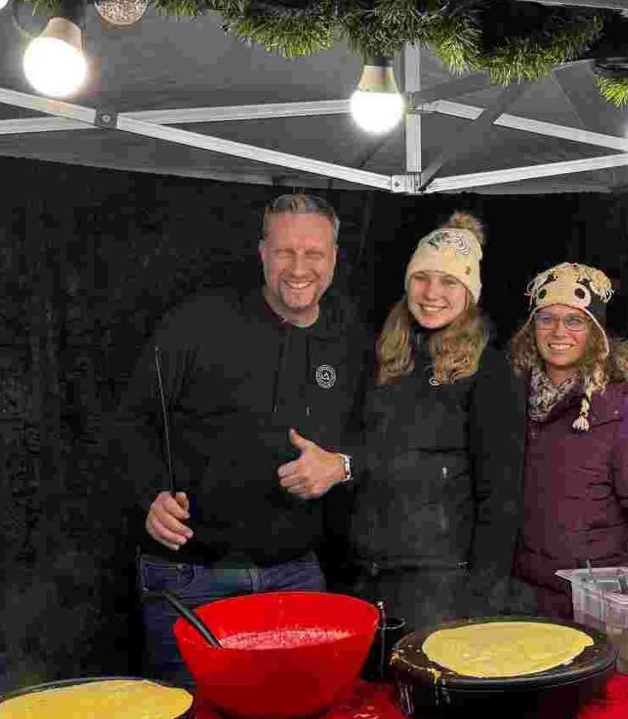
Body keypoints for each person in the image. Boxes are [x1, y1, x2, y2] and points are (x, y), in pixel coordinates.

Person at [116, 193, 368, 684]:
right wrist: (149, 495)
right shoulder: (196, 322)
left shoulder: (352, 340)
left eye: (314, 253)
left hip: (296, 576)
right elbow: (131, 420)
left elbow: (378, 439)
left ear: (335, 258)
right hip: (189, 578)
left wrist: (342, 465)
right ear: (262, 254)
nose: (299, 267)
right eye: (284, 252)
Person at [302, 212, 527, 632]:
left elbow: (501, 496)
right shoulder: (382, 358)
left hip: (443, 583)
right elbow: (363, 453)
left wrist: (482, 597)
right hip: (364, 574)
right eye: (422, 277)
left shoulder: (491, 372)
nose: (432, 293)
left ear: (470, 293)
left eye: (448, 282)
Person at [509, 262, 628, 618]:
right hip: (521, 609)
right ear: (532, 329)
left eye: (575, 320)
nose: (558, 331)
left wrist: (617, 604)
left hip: (589, 614)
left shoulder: (625, 406)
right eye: (546, 319)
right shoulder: (511, 399)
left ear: (595, 331)